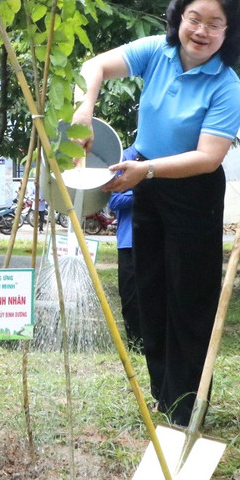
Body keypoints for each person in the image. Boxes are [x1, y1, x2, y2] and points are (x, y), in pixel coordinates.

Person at [72, 0, 240, 424]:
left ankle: (186, 402)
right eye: (194, 19)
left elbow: (208, 158)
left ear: (228, 31)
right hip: (146, 182)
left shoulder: (226, 84)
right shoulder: (157, 52)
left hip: (191, 190)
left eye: (214, 24)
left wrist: (145, 171)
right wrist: (84, 110)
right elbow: (93, 67)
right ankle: (162, 393)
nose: (201, 31)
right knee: (149, 289)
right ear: (179, 18)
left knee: (189, 294)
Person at [108, 145, 143, 350]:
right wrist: (142, 192)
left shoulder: (168, 156)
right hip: (129, 240)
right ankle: (135, 344)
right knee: (130, 296)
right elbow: (114, 199)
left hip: (160, 238)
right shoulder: (125, 158)